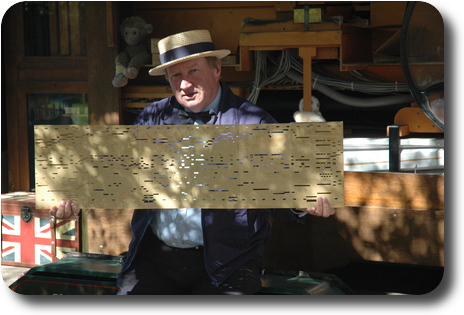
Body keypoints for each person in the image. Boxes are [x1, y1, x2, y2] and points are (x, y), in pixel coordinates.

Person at [50, 29, 336, 295]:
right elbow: (111, 172)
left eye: (194, 71)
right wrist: (73, 197)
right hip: (155, 256)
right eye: (175, 76)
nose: (185, 84)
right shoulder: (152, 118)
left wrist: (303, 202)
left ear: (216, 69)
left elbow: (281, 192)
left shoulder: (253, 122)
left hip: (229, 262)